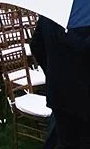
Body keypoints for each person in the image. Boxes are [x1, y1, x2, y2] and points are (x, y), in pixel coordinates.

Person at [31, 16, 90, 148]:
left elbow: (36, 45)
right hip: (83, 97)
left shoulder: (54, 10)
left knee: (65, 141)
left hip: (59, 91)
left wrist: (53, 72)